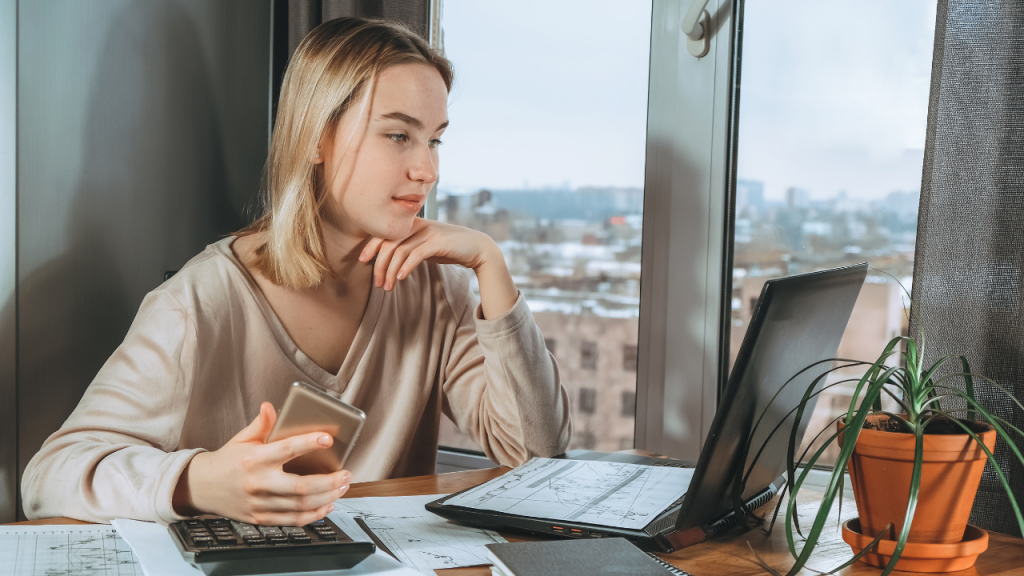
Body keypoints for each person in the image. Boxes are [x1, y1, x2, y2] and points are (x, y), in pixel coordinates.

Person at [22, 18, 572, 526]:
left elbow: (535, 453)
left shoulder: (439, 289)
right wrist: (197, 481)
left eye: (435, 139)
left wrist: (490, 265)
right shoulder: (199, 303)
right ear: (316, 138)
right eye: (399, 135)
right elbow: (50, 479)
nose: (426, 169)